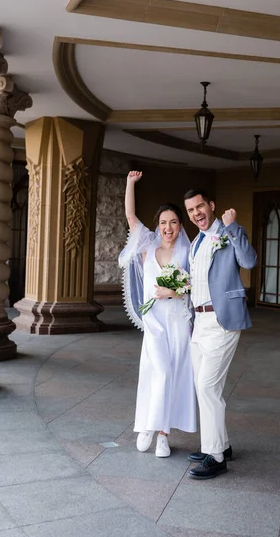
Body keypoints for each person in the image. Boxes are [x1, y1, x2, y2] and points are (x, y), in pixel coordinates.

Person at [119, 171, 196, 458]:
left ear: (180, 226)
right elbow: (129, 215)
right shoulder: (147, 247)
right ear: (158, 226)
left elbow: (194, 287)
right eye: (163, 222)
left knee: (172, 375)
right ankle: (147, 426)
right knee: (159, 372)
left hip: (177, 322)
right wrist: (130, 184)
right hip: (154, 324)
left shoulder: (187, 252)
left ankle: (163, 434)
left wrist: (174, 292)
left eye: (173, 222)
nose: (168, 227)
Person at [183, 188, 257, 479]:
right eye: (190, 210)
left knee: (207, 387)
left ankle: (215, 457)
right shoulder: (195, 243)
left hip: (222, 320)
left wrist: (233, 227)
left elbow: (249, 261)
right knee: (206, 388)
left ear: (211, 205)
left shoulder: (228, 232)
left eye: (199, 206)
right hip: (198, 323)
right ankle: (220, 445)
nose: (196, 213)